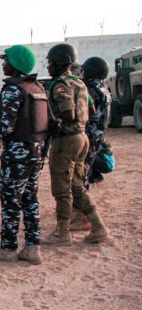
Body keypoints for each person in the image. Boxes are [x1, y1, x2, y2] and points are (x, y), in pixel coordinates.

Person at [0, 45, 46, 264]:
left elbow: (6, 127)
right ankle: (32, 248)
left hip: (17, 155)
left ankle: (8, 249)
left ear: (16, 63)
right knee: (30, 200)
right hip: (36, 152)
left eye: (6, 60)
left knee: (11, 201)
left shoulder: (13, 89)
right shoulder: (37, 87)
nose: (3, 64)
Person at [42, 43, 110, 246]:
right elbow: (89, 110)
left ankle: (62, 233)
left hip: (66, 140)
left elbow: (67, 112)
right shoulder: (80, 83)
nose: (48, 67)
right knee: (77, 187)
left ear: (60, 63)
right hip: (82, 138)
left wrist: (51, 124)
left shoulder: (60, 84)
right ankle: (98, 227)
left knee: (62, 189)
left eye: (50, 63)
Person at [70, 57, 112, 231]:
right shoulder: (103, 88)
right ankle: (79, 213)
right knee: (83, 173)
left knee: (80, 175)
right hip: (97, 135)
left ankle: (83, 217)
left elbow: (82, 112)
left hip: (87, 134)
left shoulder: (91, 89)